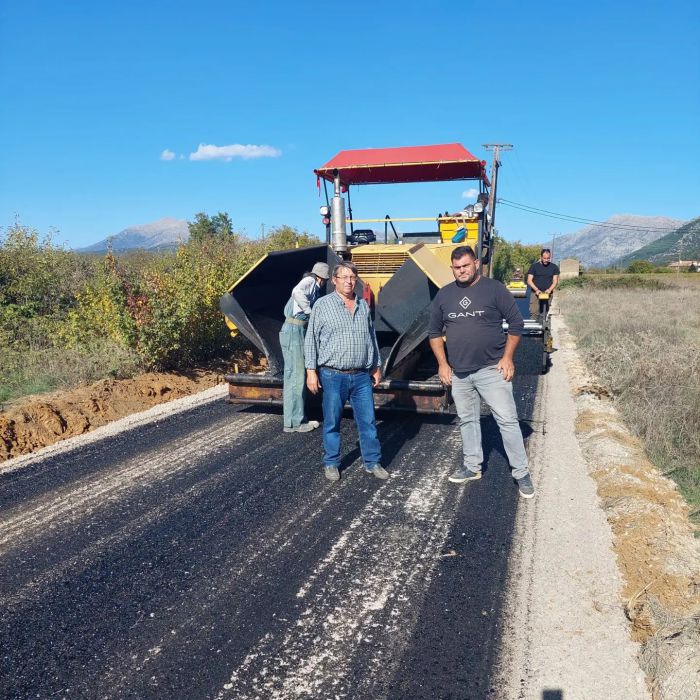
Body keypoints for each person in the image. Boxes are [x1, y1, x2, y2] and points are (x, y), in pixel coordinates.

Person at [428, 245, 535, 499]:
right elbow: (434, 333)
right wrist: (443, 364)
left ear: (476, 263)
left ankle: (521, 473)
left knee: (507, 421)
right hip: (460, 373)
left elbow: (517, 324)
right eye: (456, 267)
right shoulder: (444, 295)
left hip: (491, 369)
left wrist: (508, 358)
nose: (461, 271)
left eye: (465, 265)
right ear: (451, 268)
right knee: (468, 420)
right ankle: (472, 466)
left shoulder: (494, 289)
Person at [304, 261, 387, 483]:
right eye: (344, 277)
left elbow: (371, 338)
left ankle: (372, 462)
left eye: (352, 277)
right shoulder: (322, 305)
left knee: (368, 421)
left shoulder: (363, 305)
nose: (350, 281)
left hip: (361, 376)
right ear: (334, 281)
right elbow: (310, 339)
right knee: (332, 421)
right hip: (332, 375)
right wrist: (311, 371)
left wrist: (376, 366)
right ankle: (331, 462)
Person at [280, 262, 330, 433]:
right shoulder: (309, 281)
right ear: (321, 278)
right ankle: (297, 422)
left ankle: (292, 421)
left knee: (293, 375)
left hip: (295, 330)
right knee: (297, 376)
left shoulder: (313, 284)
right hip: (295, 330)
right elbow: (297, 292)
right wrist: (310, 312)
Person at [527, 248, 560, 318]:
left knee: (544, 312)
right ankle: (533, 328)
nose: (546, 260)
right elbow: (529, 280)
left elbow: (555, 281)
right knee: (534, 312)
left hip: (548, 293)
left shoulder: (554, 267)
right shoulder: (534, 267)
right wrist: (536, 289)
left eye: (548, 258)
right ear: (541, 257)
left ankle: (542, 326)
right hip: (535, 292)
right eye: (544, 258)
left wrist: (550, 289)